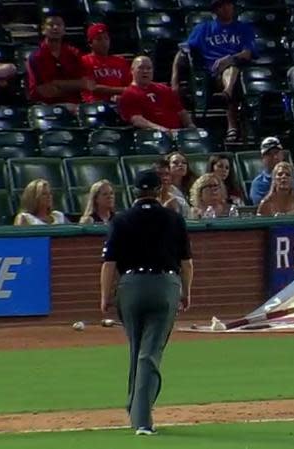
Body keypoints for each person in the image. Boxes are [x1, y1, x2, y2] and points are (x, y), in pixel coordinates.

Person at [100, 169, 193, 436]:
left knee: (136, 349)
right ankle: (142, 419)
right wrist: (186, 292)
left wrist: (105, 296)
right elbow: (186, 264)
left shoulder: (121, 219)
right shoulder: (174, 219)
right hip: (165, 284)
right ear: (159, 191)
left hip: (130, 286)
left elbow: (109, 264)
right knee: (149, 353)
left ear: (135, 191)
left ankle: (133, 404)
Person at [177, 0, 256, 142]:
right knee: (231, 72)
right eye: (222, 6)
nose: (226, 8)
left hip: (240, 73)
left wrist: (229, 58)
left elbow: (248, 53)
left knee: (232, 69)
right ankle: (231, 119)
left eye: (228, 4)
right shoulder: (204, 28)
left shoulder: (243, 28)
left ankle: (227, 94)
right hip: (211, 74)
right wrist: (174, 80)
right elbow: (183, 50)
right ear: (215, 10)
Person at [27, 13, 91, 109]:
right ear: (43, 30)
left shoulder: (74, 53)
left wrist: (57, 83)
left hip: (76, 105)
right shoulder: (36, 57)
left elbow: (86, 83)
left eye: (59, 25)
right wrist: (73, 85)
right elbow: (45, 91)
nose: (55, 28)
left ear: (64, 30)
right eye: (51, 25)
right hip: (45, 107)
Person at [118, 56, 196, 132]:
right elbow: (137, 120)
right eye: (141, 68)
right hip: (152, 136)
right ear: (132, 70)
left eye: (149, 68)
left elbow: (181, 112)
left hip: (177, 134)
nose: (145, 71)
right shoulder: (129, 94)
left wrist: (190, 125)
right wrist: (163, 130)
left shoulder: (164, 89)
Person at [250, 136, 294, 205]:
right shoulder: (258, 184)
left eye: (276, 153)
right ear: (263, 158)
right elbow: (261, 209)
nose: (275, 157)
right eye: (269, 154)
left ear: (282, 155)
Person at [81, 23, 132, 103]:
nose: (104, 42)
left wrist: (122, 96)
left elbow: (130, 84)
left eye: (106, 38)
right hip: (95, 104)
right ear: (90, 43)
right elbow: (92, 87)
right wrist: (122, 90)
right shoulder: (84, 61)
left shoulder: (120, 61)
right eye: (99, 39)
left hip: (120, 102)